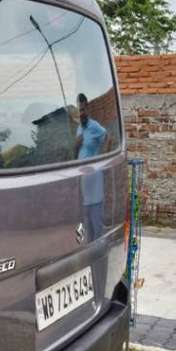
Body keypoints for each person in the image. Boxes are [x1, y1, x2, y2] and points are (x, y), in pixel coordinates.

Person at [75, 93, 107, 242]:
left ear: (87, 108)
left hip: (94, 185)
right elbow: (76, 153)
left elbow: (108, 138)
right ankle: (85, 254)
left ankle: (98, 258)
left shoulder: (95, 127)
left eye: (83, 109)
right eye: (79, 110)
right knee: (84, 227)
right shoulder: (79, 129)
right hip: (83, 186)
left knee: (96, 226)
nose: (81, 113)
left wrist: (103, 163)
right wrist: (77, 144)